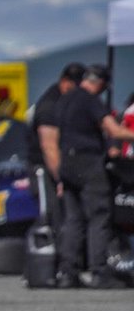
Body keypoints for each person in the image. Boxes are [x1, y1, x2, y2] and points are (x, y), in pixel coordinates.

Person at [54, 64, 134, 288]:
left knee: (73, 219)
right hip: (88, 163)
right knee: (99, 216)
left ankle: (68, 272)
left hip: (67, 163)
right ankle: (100, 272)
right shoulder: (90, 100)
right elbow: (114, 130)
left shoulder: (65, 100)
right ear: (100, 83)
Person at [29, 62, 86, 232]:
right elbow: (49, 147)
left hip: (58, 169)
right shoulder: (50, 107)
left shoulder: (64, 100)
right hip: (45, 171)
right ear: (66, 82)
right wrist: (61, 179)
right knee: (55, 216)